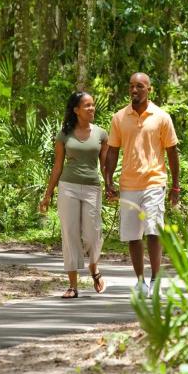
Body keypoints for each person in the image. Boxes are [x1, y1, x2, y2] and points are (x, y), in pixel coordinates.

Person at [103, 72, 180, 298]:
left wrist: (175, 187)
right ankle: (140, 281)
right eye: (131, 86)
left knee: (153, 230)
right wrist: (108, 181)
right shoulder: (119, 117)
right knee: (133, 235)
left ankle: (155, 280)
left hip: (154, 182)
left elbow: (172, 153)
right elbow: (112, 151)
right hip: (129, 184)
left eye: (139, 86)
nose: (134, 90)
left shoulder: (161, 117)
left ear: (149, 89)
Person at [39, 91, 109, 298]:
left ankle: (94, 268)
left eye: (92, 105)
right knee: (69, 234)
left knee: (92, 234)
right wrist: (48, 194)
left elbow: (105, 166)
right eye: (87, 106)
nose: (91, 109)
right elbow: (57, 166)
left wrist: (111, 186)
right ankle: (72, 285)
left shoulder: (101, 134)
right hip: (67, 186)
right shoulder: (64, 134)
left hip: (92, 188)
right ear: (76, 110)